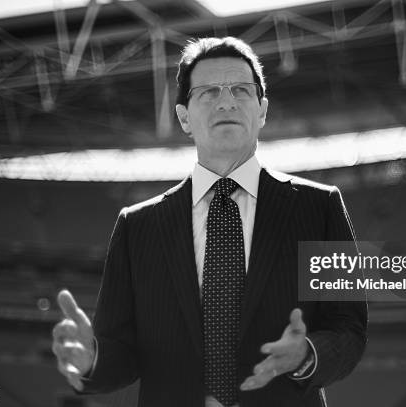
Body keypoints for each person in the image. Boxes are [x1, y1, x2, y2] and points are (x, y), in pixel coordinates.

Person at [52, 36, 367, 407]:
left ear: (262, 110)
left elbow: (348, 328)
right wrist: (93, 361)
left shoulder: (320, 207)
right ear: (184, 117)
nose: (227, 101)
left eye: (241, 90)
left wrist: (308, 353)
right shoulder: (137, 226)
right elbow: (123, 352)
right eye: (208, 92)